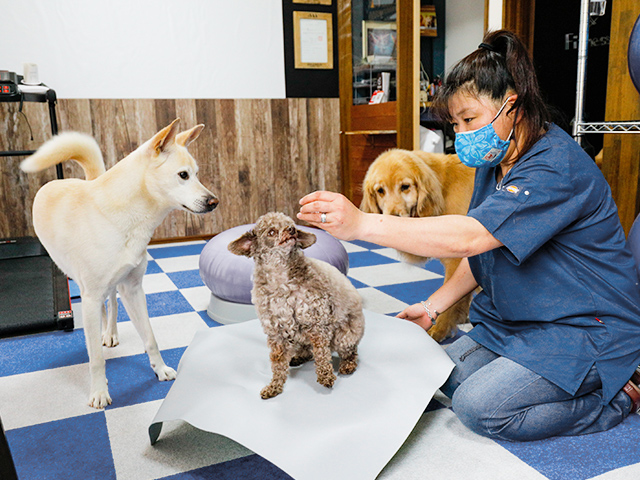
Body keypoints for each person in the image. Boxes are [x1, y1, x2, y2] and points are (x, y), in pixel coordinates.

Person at [297, 29, 640, 442]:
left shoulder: (555, 166)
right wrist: (434, 306)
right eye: (456, 123)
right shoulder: (494, 163)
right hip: (519, 323)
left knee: (480, 409)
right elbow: (486, 255)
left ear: (511, 106)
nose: (461, 134)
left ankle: (623, 394)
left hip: (585, 328)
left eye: (470, 119)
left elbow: (471, 237)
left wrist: (363, 224)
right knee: (442, 378)